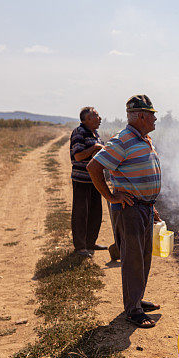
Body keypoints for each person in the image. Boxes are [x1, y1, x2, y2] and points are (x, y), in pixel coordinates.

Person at [87, 95, 163, 328]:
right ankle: (132, 310)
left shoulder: (144, 138)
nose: (155, 118)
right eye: (151, 114)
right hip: (128, 209)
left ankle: (137, 300)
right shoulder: (122, 140)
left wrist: (151, 204)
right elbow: (94, 167)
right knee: (132, 259)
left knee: (143, 257)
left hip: (144, 208)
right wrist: (110, 196)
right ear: (141, 116)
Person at [69, 106, 107, 256]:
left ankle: (90, 242)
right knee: (81, 213)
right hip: (82, 179)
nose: (100, 118)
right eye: (96, 116)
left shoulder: (94, 133)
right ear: (87, 119)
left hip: (94, 179)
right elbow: (78, 156)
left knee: (95, 212)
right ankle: (80, 247)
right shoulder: (79, 133)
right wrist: (94, 148)